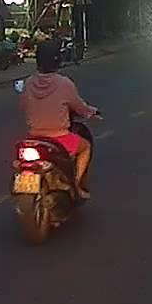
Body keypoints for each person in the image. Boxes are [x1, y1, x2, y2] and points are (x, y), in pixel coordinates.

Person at [19, 39, 99, 199]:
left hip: (34, 138)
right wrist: (91, 112)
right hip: (60, 139)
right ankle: (76, 185)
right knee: (85, 147)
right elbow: (79, 107)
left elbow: (23, 105)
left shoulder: (28, 83)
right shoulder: (64, 83)